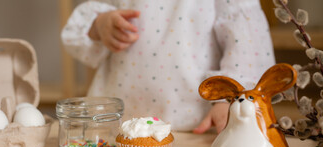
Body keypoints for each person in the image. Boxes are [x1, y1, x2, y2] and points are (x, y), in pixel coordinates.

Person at [61, 0, 275, 133]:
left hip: (191, 124)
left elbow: (245, 37)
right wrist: (100, 25)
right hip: (117, 123)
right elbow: (84, 27)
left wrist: (231, 99)